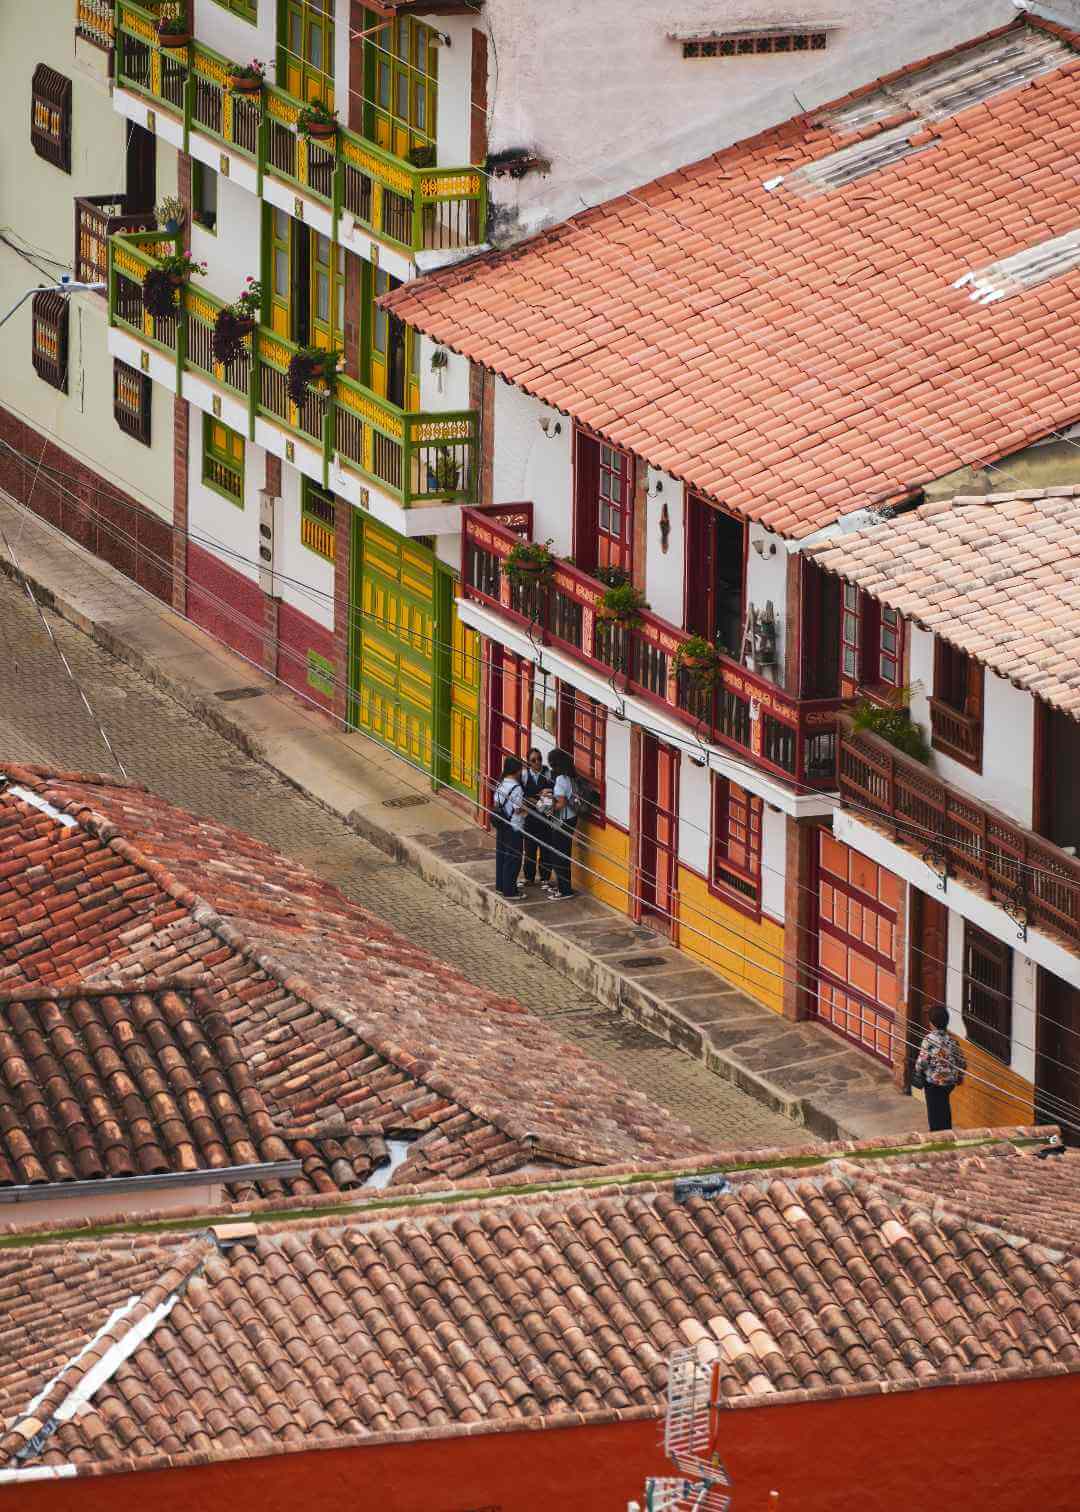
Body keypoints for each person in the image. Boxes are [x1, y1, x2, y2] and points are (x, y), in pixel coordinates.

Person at [913, 1004, 967, 1131]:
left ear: (931, 1023)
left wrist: (917, 1072)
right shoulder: (952, 1041)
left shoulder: (929, 1039)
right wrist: (959, 1076)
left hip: (933, 1082)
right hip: (949, 1083)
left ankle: (937, 1134)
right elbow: (962, 1062)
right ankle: (947, 1131)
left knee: (934, 1111)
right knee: (944, 1105)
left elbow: (922, 1062)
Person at [545, 748, 580, 899]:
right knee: (564, 853)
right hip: (572, 819)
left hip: (562, 821)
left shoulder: (560, 779)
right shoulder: (571, 776)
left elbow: (561, 802)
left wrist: (548, 808)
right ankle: (563, 886)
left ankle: (564, 890)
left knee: (559, 855)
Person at [492, 754, 527, 898]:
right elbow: (518, 809)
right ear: (517, 770)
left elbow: (496, 803)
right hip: (514, 826)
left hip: (502, 825)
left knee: (502, 856)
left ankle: (501, 886)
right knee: (513, 859)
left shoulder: (502, 783)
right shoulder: (517, 788)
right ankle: (510, 891)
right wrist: (527, 811)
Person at [521, 748, 554, 887]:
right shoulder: (524, 775)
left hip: (545, 818)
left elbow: (553, 792)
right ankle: (529, 877)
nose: (537, 762)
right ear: (528, 762)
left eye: (539, 758)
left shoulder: (548, 773)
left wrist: (541, 795)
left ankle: (545, 877)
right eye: (533, 760)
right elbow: (522, 796)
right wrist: (538, 797)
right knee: (530, 849)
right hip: (530, 817)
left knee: (545, 849)